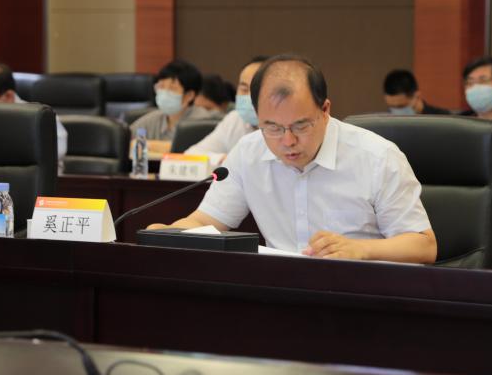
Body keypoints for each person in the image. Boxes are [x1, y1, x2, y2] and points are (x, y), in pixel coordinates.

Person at [151, 55, 437, 264]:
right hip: (283, 293)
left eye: (300, 126)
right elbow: (205, 220)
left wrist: (360, 249)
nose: (287, 141)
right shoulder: (248, 152)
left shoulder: (377, 157)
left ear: (325, 110)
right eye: (272, 127)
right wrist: (169, 233)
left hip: (362, 296)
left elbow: (424, 246)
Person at [185, 56, 267, 157]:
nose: (250, 97)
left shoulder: (283, 126)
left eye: (256, 90)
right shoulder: (234, 120)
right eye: (244, 89)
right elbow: (192, 154)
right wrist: (225, 160)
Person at [130, 59, 216, 143]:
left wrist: (149, 145)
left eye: (172, 88)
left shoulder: (202, 121)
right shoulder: (151, 120)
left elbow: (184, 148)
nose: (164, 93)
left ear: (189, 95)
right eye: (161, 87)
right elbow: (129, 140)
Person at [382, 69, 449, 115]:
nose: (395, 111)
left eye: (401, 106)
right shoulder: (385, 122)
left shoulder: (444, 119)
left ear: (416, 95)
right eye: (391, 106)